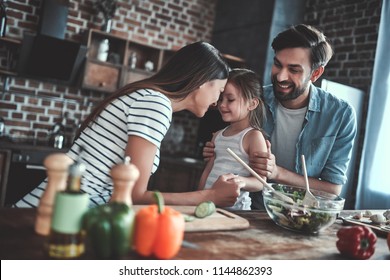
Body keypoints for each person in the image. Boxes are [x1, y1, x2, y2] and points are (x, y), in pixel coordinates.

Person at [14, 41, 244, 208]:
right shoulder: (155, 104)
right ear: (202, 82)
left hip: (62, 210)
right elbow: (134, 195)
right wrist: (209, 196)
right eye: (220, 91)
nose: (218, 102)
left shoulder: (148, 98)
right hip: (52, 215)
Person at [203, 24, 357, 209]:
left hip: (303, 215)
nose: (281, 76)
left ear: (315, 73)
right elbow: (232, 140)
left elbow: (332, 189)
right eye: (278, 64)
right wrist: (217, 149)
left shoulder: (340, 115)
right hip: (252, 210)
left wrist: (277, 172)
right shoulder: (255, 100)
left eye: (294, 70)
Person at [198, 68, 267, 210]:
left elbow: (260, 182)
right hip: (210, 206)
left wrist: (239, 181)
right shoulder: (217, 135)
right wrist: (199, 196)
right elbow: (207, 171)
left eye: (230, 99)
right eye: (221, 98)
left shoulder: (253, 136)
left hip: (236, 210)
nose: (222, 105)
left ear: (252, 104)